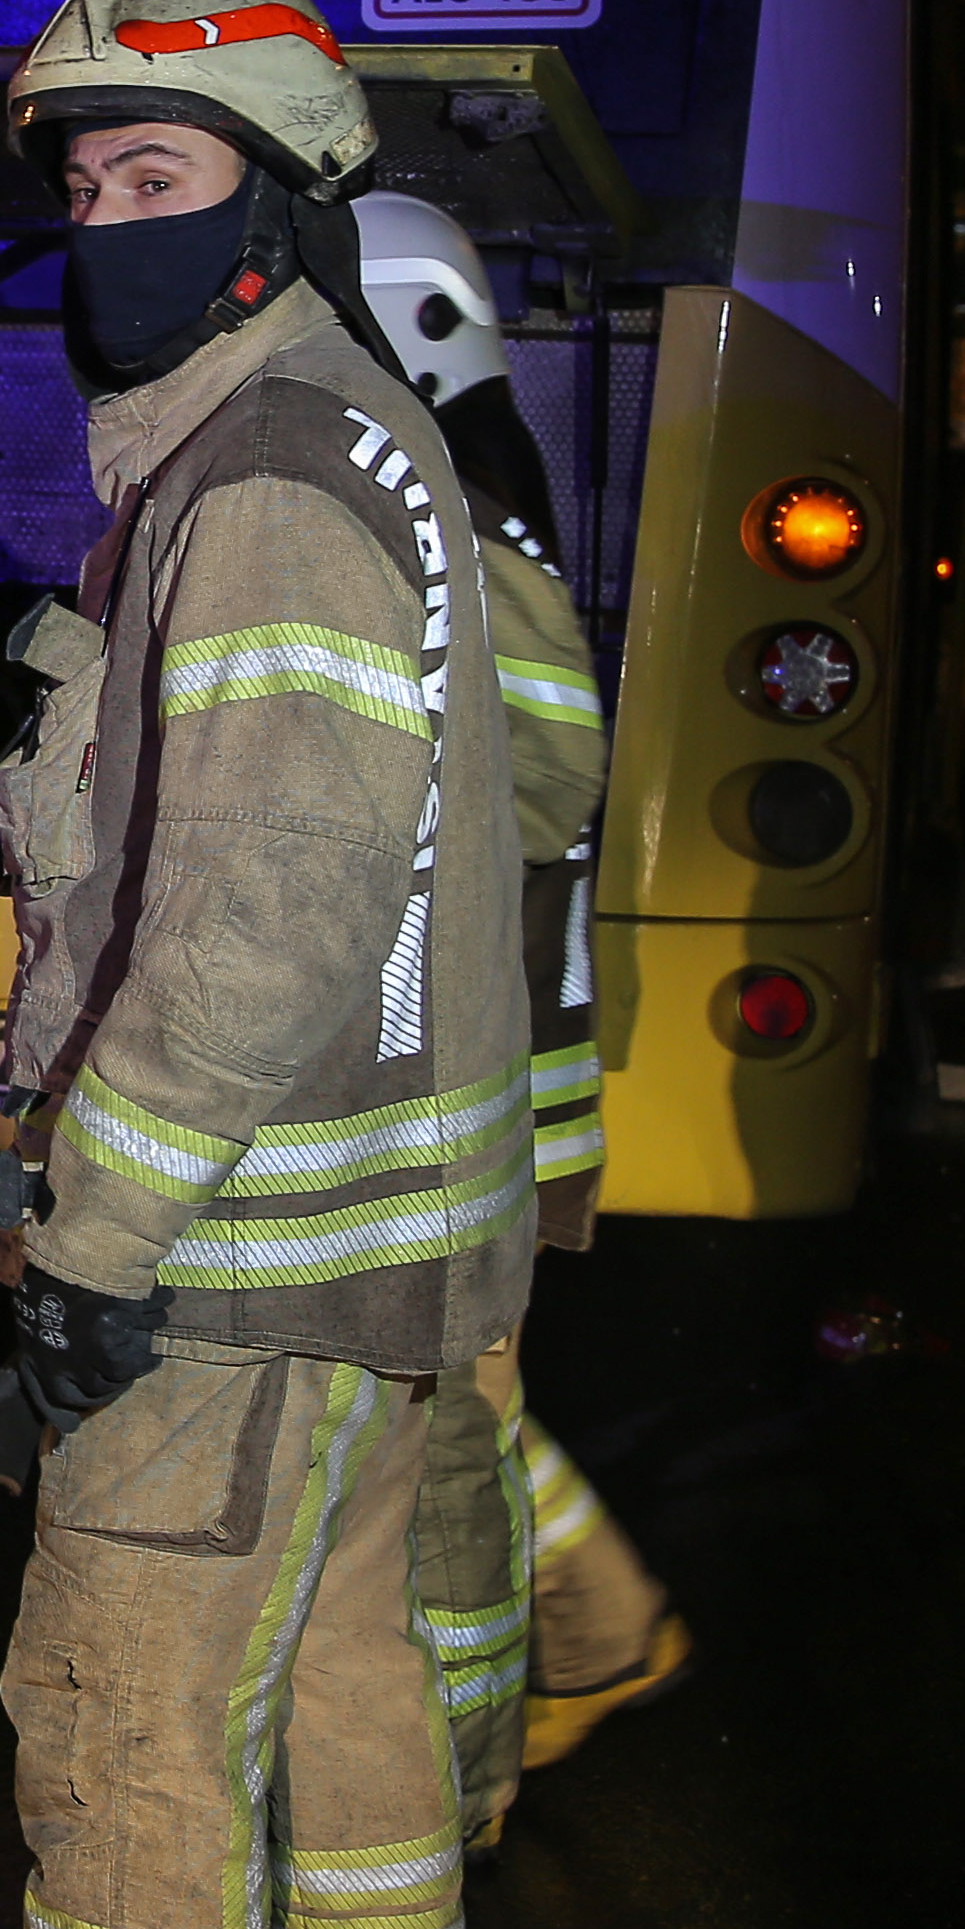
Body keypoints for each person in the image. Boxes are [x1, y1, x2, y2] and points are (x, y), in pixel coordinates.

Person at [0, 0, 534, 1929]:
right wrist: (34, 804)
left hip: (229, 1259)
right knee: (338, 1692)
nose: (102, 224)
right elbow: (355, 799)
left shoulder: (251, 472)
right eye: (82, 183)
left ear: (284, 198)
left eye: (155, 175)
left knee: (128, 1729)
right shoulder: (352, 440)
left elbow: (266, 900)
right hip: (372, 1256)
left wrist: (97, 1225)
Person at [357, 197, 694, 1838]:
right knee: (467, 1399)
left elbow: (547, 787)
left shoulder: (469, 550)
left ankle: (511, 1719)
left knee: (452, 1424)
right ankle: (603, 1630)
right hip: (492, 1070)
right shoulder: (454, 524)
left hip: (481, 1081)